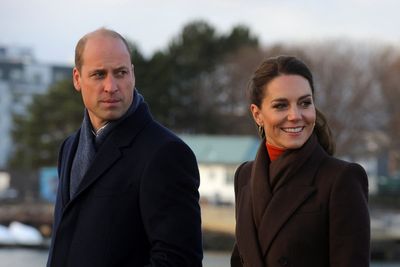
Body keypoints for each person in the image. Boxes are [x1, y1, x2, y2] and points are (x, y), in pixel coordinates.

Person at [46, 28, 203, 267]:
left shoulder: (166, 153)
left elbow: (179, 261)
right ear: (77, 79)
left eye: (120, 73)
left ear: (133, 75)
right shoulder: (70, 147)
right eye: (99, 75)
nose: (111, 86)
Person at [231, 55, 370, 267]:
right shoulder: (244, 176)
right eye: (281, 106)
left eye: (305, 103)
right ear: (257, 114)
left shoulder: (342, 178)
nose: (295, 115)